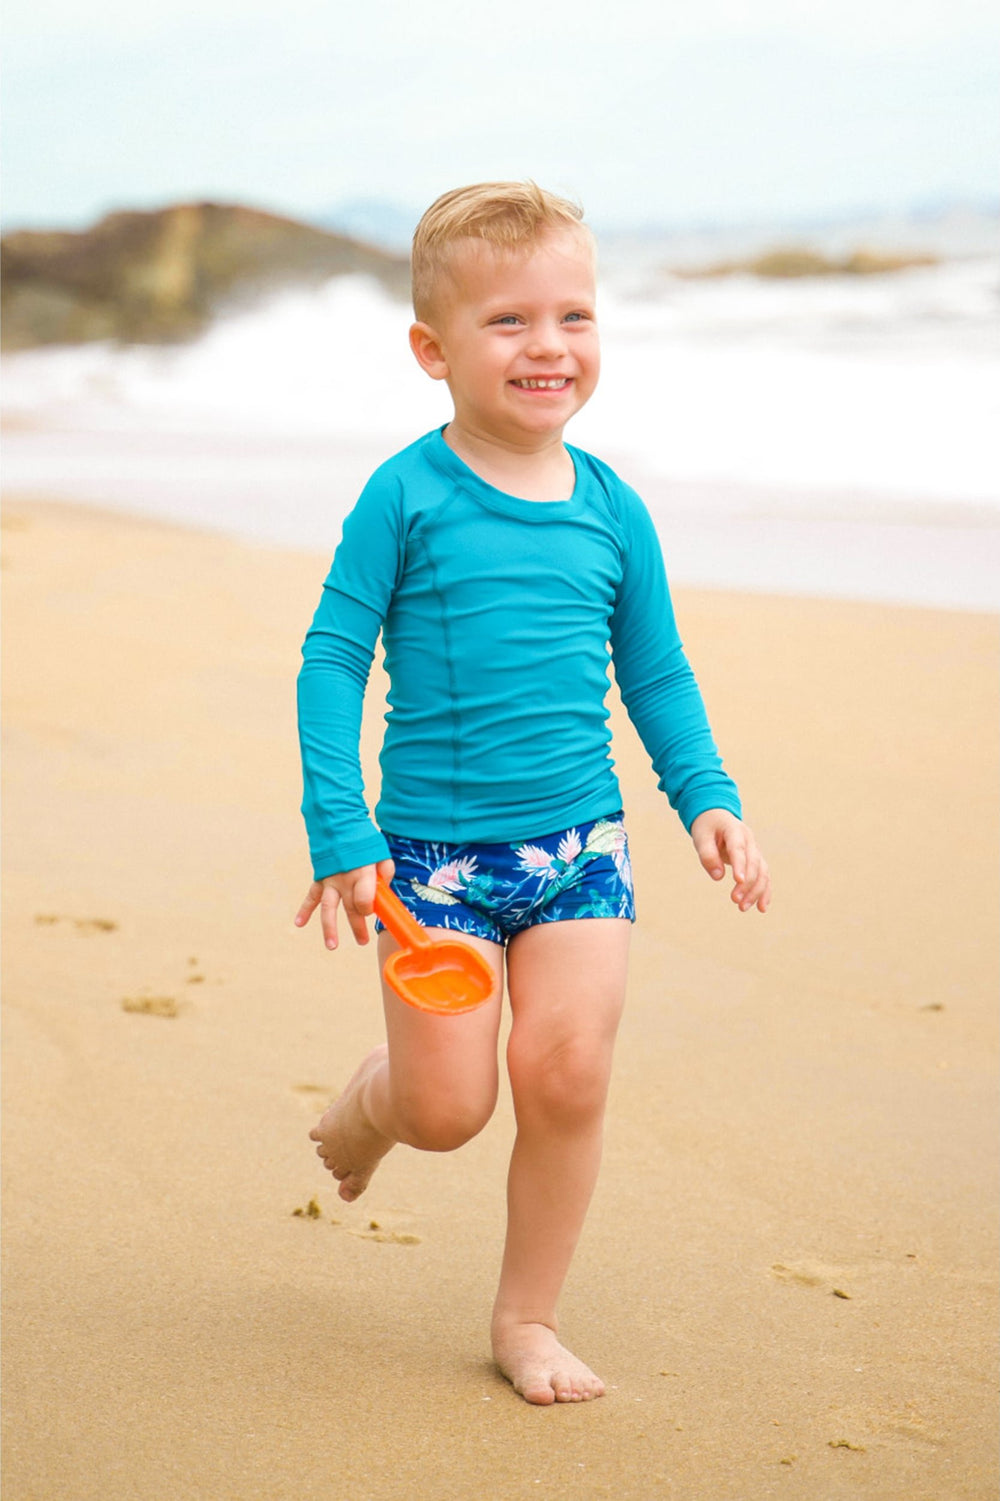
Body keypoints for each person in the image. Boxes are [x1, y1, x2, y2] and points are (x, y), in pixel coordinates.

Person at [294, 182, 770, 1406]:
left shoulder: (613, 507)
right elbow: (333, 657)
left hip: (581, 847)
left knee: (565, 1073)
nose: (548, 345)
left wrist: (705, 797)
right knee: (449, 1107)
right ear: (432, 349)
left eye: (574, 315)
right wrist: (338, 827)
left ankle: (527, 1316)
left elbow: (653, 671)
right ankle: (370, 1103)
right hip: (433, 861)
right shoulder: (405, 496)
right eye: (508, 321)